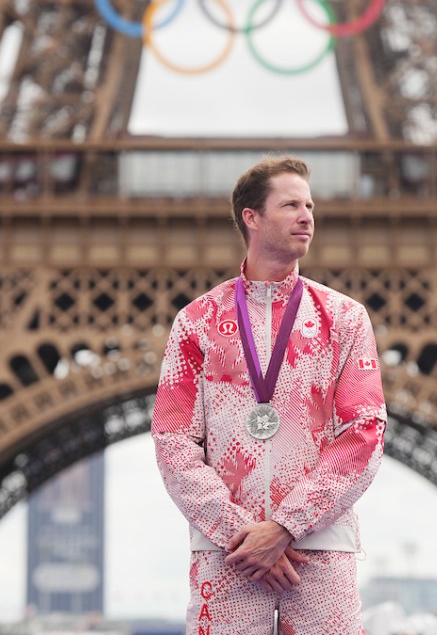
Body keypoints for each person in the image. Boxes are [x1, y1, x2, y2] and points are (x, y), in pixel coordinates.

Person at [152, 156, 388, 635]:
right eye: (290, 204)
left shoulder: (345, 318)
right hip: (229, 553)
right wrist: (241, 535)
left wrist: (284, 529)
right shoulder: (196, 322)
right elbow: (172, 439)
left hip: (316, 548)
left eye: (310, 205)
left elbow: (365, 432)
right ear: (251, 217)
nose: (307, 216)